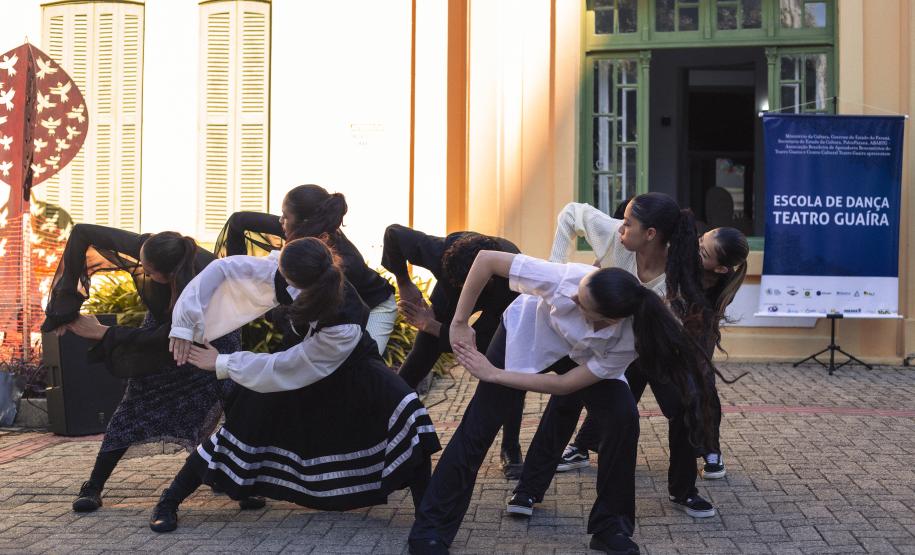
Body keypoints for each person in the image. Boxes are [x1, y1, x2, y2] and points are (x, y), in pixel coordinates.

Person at [408, 250, 716, 555]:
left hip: (580, 358)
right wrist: (460, 322)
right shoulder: (568, 280)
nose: (572, 297)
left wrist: (496, 374)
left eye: (581, 302)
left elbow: (565, 385)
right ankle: (430, 531)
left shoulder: (630, 337)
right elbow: (486, 260)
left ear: (609, 320)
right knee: (480, 425)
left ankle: (611, 528)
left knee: (623, 416)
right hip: (527, 335)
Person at [149, 237, 441, 532]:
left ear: (296, 277)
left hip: (349, 367)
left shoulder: (343, 321)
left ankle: (429, 519)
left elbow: (290, 366)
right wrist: (184, 324)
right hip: (301, 359)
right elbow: (224, 269)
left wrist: (222, 363)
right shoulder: (285, 271)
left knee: (407, 415)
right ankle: (170, 499)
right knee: (241, 428)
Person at [511, 193, 718, 521]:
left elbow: (688, 308)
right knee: (566, 401)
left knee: (684, 406)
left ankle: (684, 491)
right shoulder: (615, 236)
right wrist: (554, 264)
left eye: (629, 222)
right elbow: (570, 213)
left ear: (650, 234)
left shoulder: (679, 265)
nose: (622, 225)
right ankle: (528, 489)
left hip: (652, 346)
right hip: (608, 343)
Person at [41, 224, 261, 514]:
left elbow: (164, 339)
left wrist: (102, 332)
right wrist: (64, 310)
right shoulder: (158, 248)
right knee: (136, 401)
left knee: (228, 400)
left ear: (167, 274)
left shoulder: (204, 286)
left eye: (147, 270)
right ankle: (93, 485)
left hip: (212, 336)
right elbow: (82, 233)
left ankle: (238, 482)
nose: (141, 272)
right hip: (163, 322)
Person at [381, 224, 525, 478]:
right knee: (417, 362)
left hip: (495, 303)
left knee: (507, 370)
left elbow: (478, 341)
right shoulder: (440, 253)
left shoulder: (512, 280)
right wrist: (404, 281)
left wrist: (431, 325)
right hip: (448, 297)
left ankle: (511, 447)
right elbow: (394, 233)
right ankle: (381, 434)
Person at [214, 184, 397, 353]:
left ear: (305, 221)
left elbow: (313, 312)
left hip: (374, 308)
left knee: (360, 371)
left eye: (286, 216)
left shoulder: (341, 263)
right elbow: (239, 221)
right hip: (332, 308)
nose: (280, 220)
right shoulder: (299, 228)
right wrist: (235, 282)